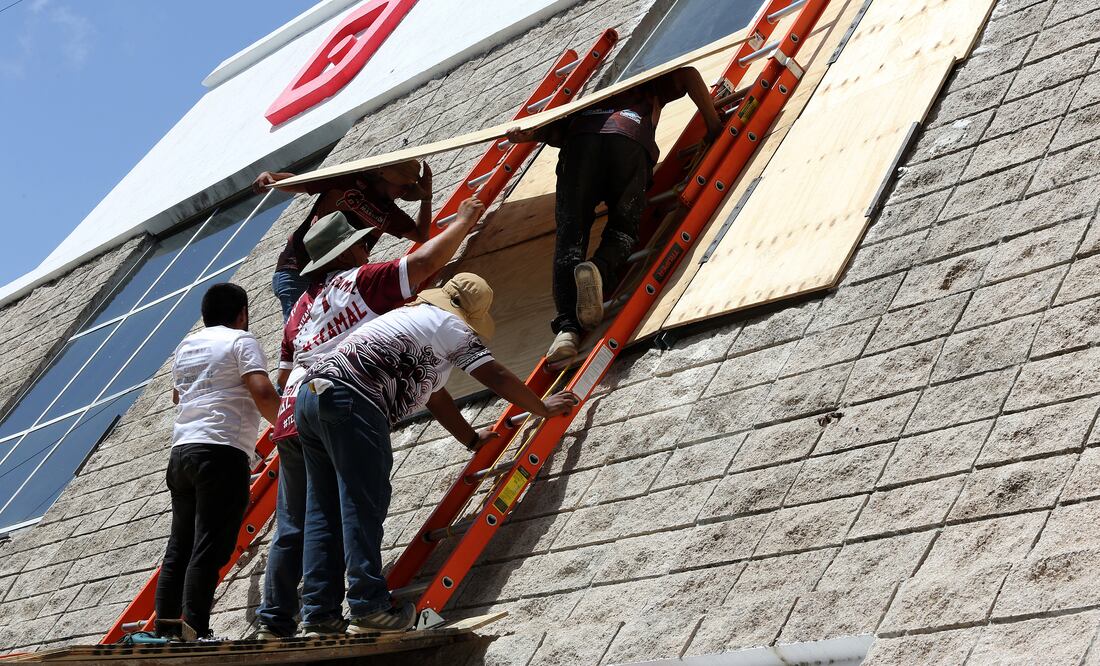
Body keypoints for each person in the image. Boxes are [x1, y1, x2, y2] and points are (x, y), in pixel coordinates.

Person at [254, 197, 486, 639]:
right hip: (343, 400)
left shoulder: (301, 307)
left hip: (294, 415)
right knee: (359, 501)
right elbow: (423, 261)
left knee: (306, 521)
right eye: (361, 245)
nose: (367, 251)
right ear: (346, 253)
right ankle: (366, 604)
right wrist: (464, 222)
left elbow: (284, 375)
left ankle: (304, 616)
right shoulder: (358, 282)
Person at [295, 273, 576, 633]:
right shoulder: (452, 327)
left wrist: (472, 440)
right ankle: (369, 607)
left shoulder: (410, 319)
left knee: (324, 511)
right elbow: (496, 376)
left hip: (311, 398)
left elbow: (436, 396)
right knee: (362, 503)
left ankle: (319, 614)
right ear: (472, 316)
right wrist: (541, 407)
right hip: (353, 399)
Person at [506, 67, 723, 363]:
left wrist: (527, 134)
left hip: (579, 145)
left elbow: (546, 130)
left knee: (571, 237)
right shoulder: (646, 82)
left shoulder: (582, 106)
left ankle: (567, 331)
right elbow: (688, 74)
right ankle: (599, 267)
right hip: (628, 138)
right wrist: (713, 125)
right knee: (623, 229)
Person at [155, 283, 280, 640]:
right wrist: (288, 423)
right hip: (221, 450)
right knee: (210, 544)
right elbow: (261, 390)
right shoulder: (242, 340)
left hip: (182, 452)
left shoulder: (186, 347)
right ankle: (196, 629)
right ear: (242, 313)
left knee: (180, 546)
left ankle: (166, 631)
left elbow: (178, 394)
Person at [254, 160, 434, 320]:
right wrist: (271, 176)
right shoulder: (347, 179)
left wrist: (427, 198)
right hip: (298, 269)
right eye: (403, 185)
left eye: (408, 189)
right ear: (385, 176)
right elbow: (298, 182)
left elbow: (421, 235)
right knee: (301, 334)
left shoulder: (390, 213)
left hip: (335, 281)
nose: (404, 192)